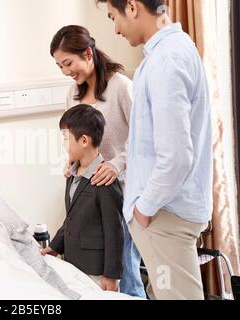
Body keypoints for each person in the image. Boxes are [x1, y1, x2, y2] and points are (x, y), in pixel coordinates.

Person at [97, 0, 212, 299]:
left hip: (165, 215)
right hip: (167, 213)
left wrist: (144, 208)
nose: (115, 29)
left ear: (132, 7)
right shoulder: (172, 50)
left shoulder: (166, 60)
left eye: (114, 17)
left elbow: (176, 156)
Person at [50, 25, 145, 297]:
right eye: (60, 66)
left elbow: (143, 139)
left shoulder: (121, 88)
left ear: (88, 54)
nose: (67, 71)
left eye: (68, 63)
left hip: (122, 193)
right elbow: (72, 136)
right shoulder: (73, 94)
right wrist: (70, 162)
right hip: (89, 192)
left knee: (123, 273)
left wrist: (117, 164)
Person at [42, 105, 124, 292]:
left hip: (96, 270)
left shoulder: (105, 179)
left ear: (84, 140)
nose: (64, 145)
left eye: (66, 138)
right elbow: (71, 219)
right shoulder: (72, 174)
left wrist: (112, 275)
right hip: (73, 264)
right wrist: (55, 247)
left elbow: (115, 232)